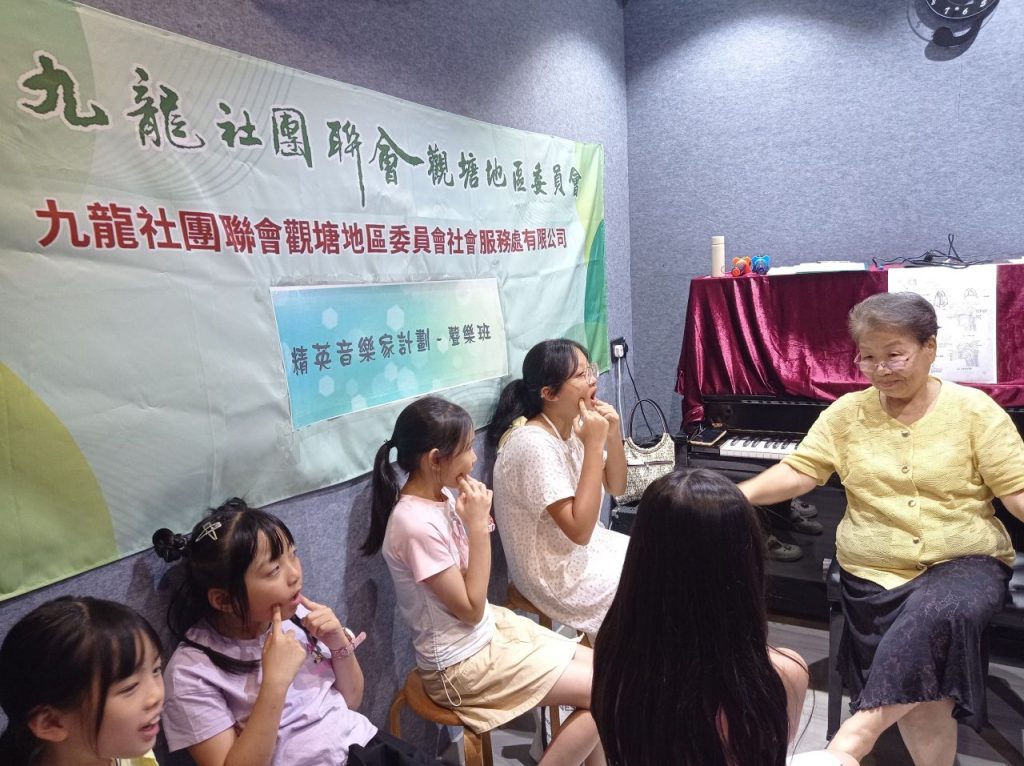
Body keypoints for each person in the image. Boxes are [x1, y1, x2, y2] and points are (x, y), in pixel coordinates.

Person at [738, 291, 1024, 766]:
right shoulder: (847, 413)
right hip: (873, 569)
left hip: (963, 561)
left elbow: (1015, 490)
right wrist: (738, 495)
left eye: (894, 355)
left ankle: (850, 742)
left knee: (939, 611)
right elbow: (802, 470)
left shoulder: (975, 411)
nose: (880, 369)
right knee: (924, 685)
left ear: (930, 348)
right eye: (868, 357)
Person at [363, 396, 606, 765]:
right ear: (434, 459)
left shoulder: (441, 496)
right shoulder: (413, 524)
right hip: (458, 666)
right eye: (466, 449)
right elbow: (471, 609)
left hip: (486, 635)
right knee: (604, 692)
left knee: (607, 674)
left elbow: (471, 594)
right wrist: (477, 527)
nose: (475, 458)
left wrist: (475, 523)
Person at [592, 469, 858, 766]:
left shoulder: (611, 652)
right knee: (844, 759)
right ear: (745, 561)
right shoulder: (782, 674)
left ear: (641, 554)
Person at [154, 499, 442, 766]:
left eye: (293, 555)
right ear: (224, 599)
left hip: (364, 745)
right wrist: (275, 683)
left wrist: (337, 642)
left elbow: (351, 700)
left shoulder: (297, 615)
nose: (294, 574)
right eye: (273, 570)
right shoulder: (190, 672)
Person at [488, 338, 628, 640]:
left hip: (585, 550)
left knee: (657, 559)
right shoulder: (532, 444)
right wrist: (594, 445)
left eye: (590, 370)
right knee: (640, 588)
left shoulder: (573, 426)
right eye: (580, 375)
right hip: (552, 573)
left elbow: (617, 486)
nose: (593, 380)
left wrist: (613, 434)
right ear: (549, 393)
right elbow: (579, 531)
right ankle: (625, 662)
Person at [0, 596, 164, 766]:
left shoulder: (127, 748)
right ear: (51, 723)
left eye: (156, 670)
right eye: (129, 687)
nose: (157, 694)